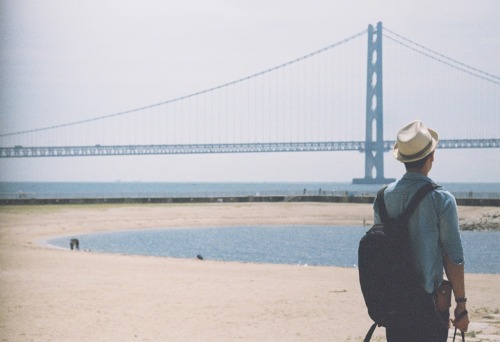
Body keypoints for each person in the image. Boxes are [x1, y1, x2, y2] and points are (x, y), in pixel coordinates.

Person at [373, 120, 470, 341]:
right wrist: (461, 306)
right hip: (430, 307)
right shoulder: (442, 200)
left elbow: (381, 251)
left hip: (396, 308)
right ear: (431, 157)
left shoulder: (381, 199)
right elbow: (453, 258)